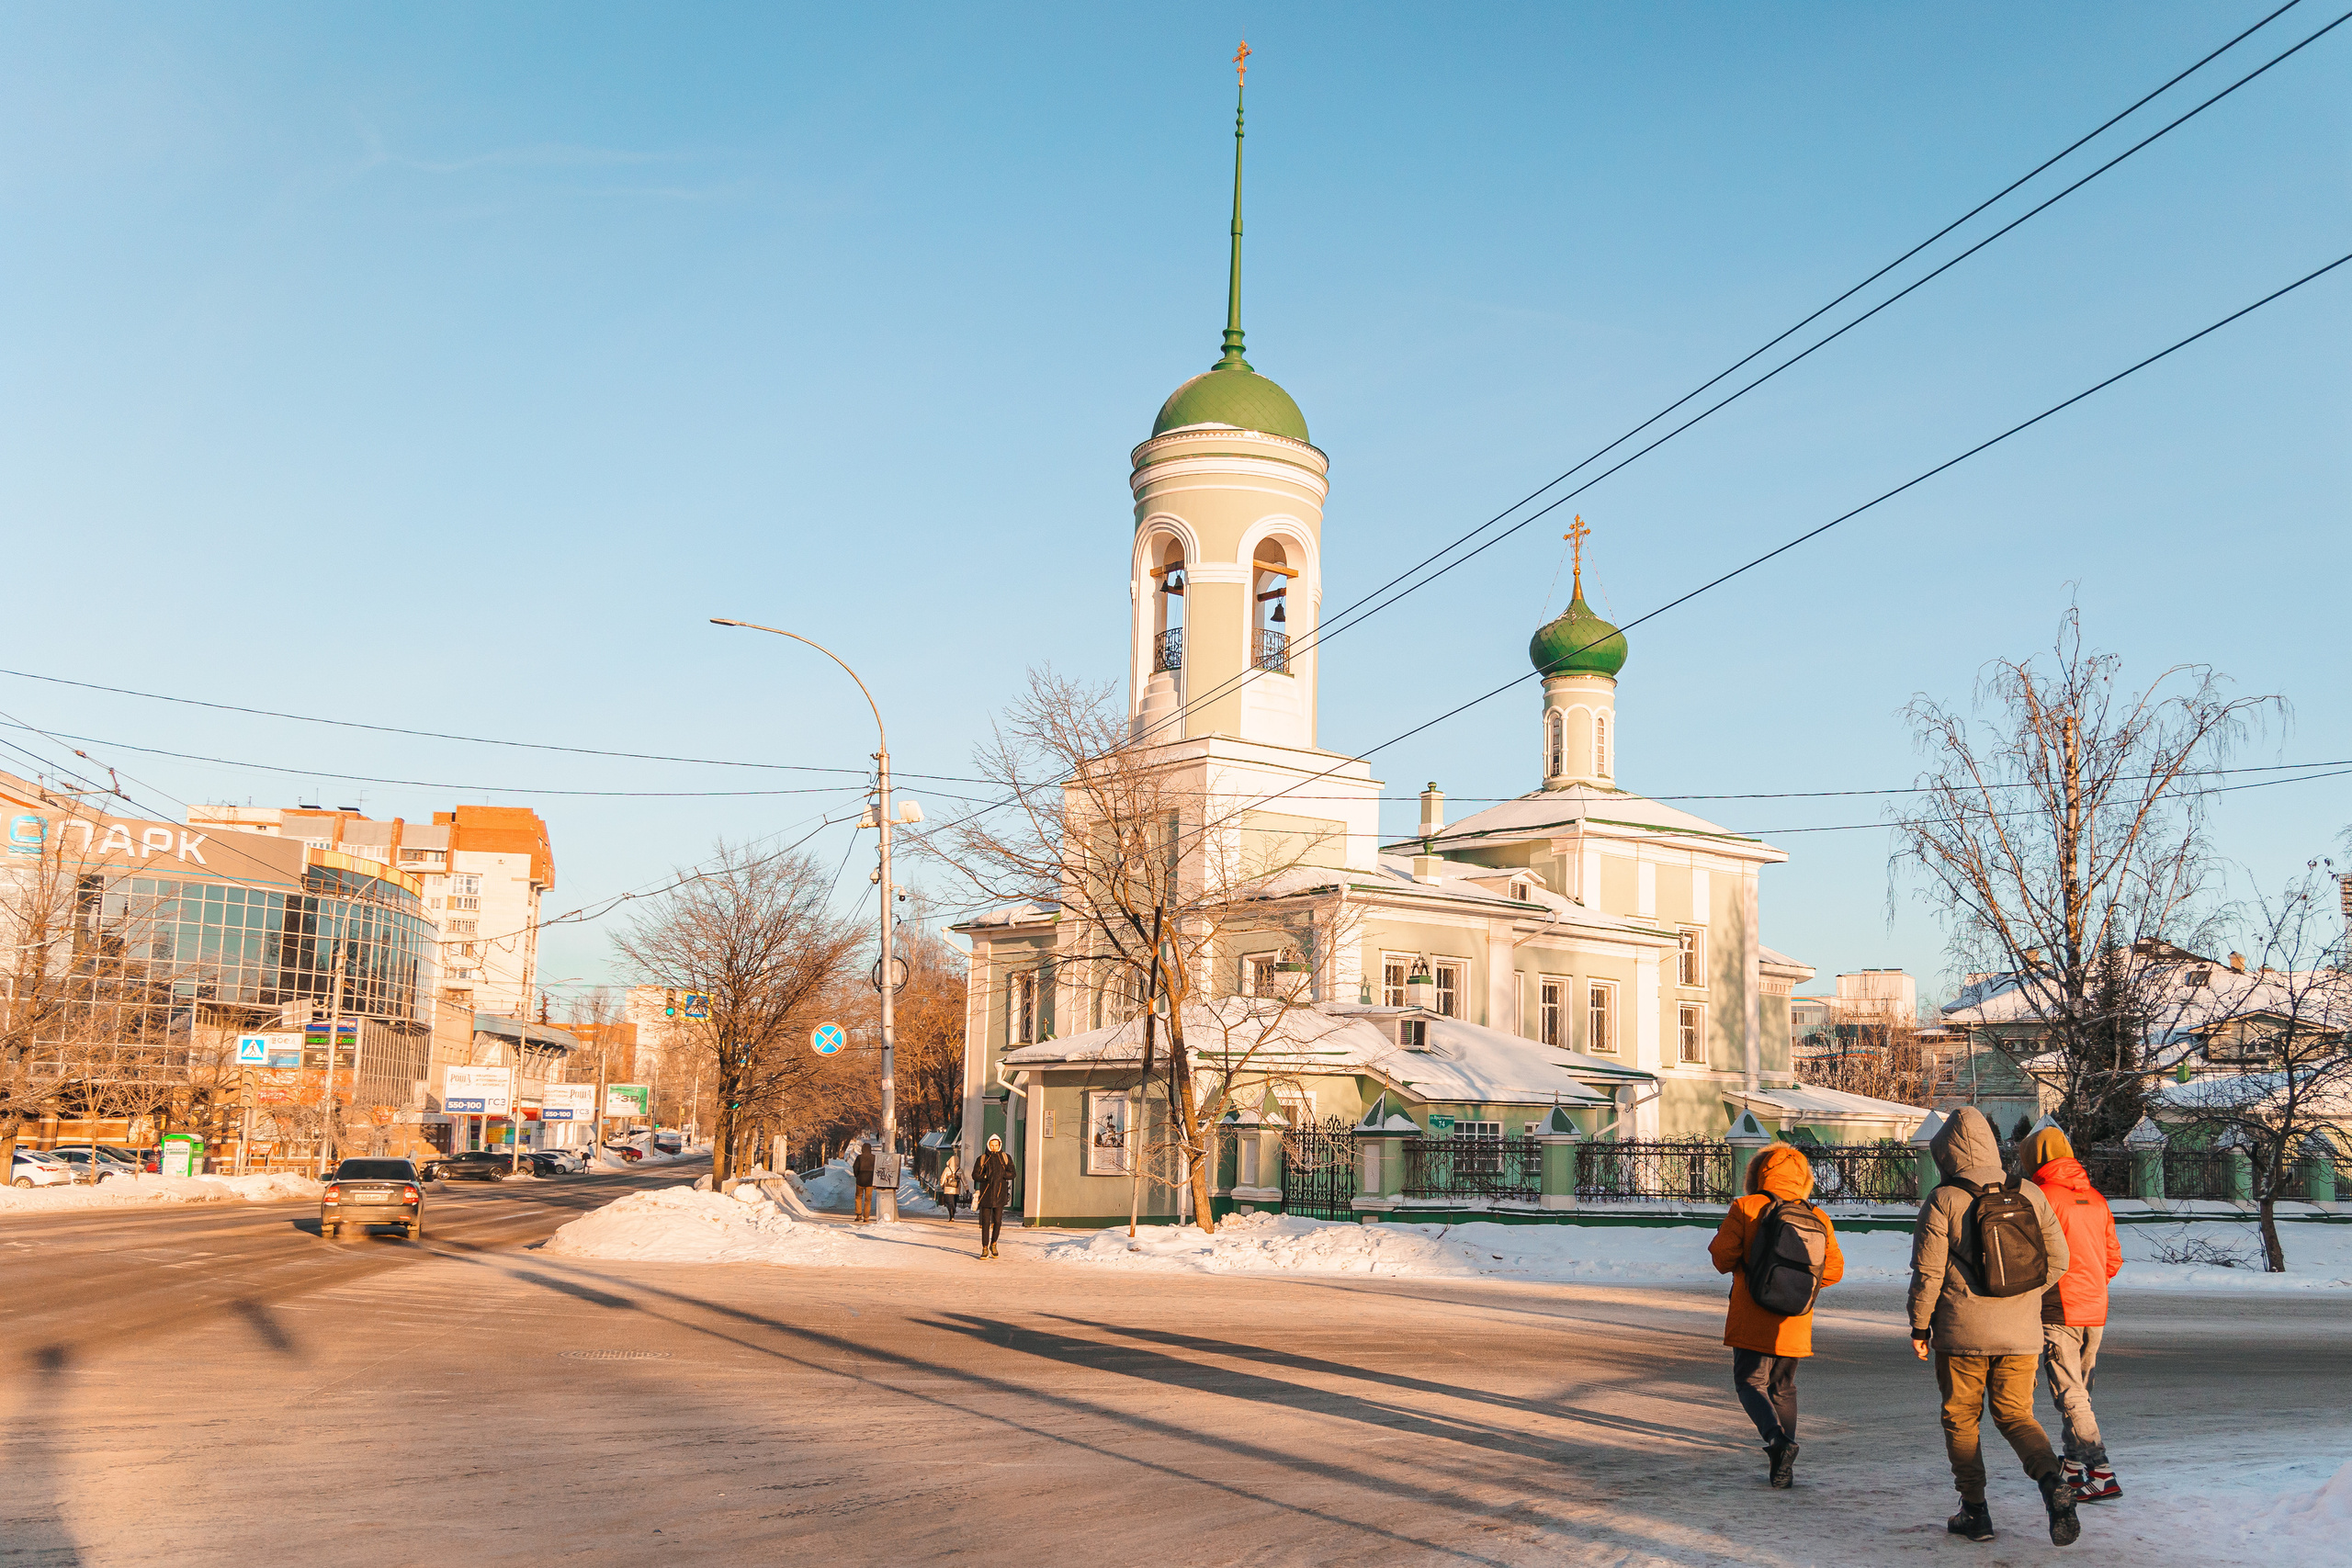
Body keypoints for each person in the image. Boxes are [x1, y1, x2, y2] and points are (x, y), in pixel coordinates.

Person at [1909, 1105, 2080, 1546]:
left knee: (1961, 1419)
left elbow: (1928, 1273)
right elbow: (2059, 1260)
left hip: (1961, 1333)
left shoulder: (1944, 1199)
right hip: (2021, 1334)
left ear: (1945, 1152)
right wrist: (2020, 1297)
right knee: (2016, 1414)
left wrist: (1919, 1327)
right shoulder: (2028, 1192)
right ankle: (2050, 1484)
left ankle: (1975, 1512)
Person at [1708, 1142, 1846, 1489]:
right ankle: (1785, 1464)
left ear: (1758, 1173)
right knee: (1783, 1387)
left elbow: (1722, 1258)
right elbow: (1833, 1272)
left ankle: (1778, 1442)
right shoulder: (1817, 1216)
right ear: (1804, 1178)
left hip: (1753, 1314)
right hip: (1795, 1320)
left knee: (1750, 1382)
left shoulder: (1746, 1206)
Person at [2020, 1124, 2124, 1503]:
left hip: (2057, 1306)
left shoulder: (2039, 1196)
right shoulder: (2095, 1198)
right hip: (2094, 1307)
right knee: (2079, 1393)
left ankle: (2101, 1470)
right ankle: (2076, 1468)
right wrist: (2091, 1280)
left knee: (2069, 1395)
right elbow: (2113, 1258)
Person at [971, 1134, 1016, 1259]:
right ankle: (985, 1248)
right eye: (992, 1145)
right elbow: (975, 1175)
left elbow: (1013, 1173)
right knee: (985, 1223)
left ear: (1000, 1145)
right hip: (986, 1194)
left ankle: (994, 1244)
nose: (994, 1147)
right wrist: (985, 1176)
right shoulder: (982, 1158)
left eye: (996, 1145)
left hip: (1000, 1194)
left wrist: (1003, 1174)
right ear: (988, 1145)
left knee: (997, 1221)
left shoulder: (1005, 1158)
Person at [853, 1138, 876, 1224]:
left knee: (858, 1197)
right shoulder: (874, 1158)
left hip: (860, 1181)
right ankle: (866, 1217)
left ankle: (858, 1214)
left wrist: (857, 1175)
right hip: (870, 1181)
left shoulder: (859, 1157)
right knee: (868, 1199)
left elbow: (855, 1168)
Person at [939, 1148, 963, 1224]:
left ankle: (951, 1215)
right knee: (954, 1202)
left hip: (948, 1189)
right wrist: (967, 1189)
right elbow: (964, 1180)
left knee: (949, 1203)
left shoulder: (947, 1169)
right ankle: (953, 1214)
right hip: (956, 1189)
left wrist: (942, 1185)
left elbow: (943, 1178)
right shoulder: (960, 1170)